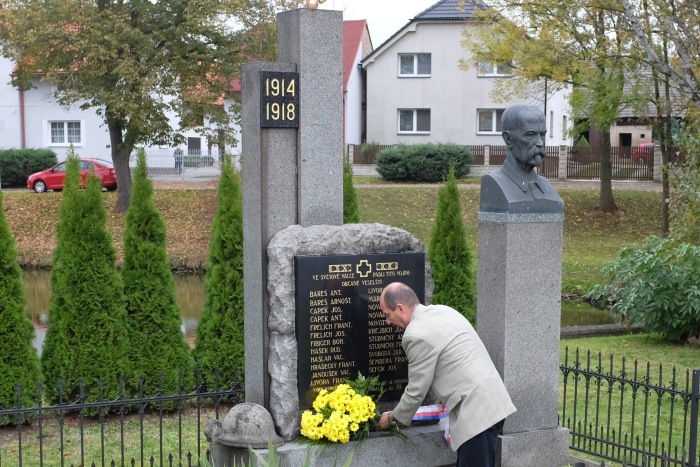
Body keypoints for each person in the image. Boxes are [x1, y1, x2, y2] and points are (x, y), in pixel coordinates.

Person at [378, 282, 516, 467]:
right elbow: (455, 358)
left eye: (388, 315)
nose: (387, 322)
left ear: (400, 308)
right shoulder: (443, 311)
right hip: (491, 402)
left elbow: (416, 392)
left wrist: (391, 417)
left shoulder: (415, 334)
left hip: (476, 413)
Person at [479, 105, 564, 214]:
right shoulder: (493, 185)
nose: (540, 143)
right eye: (530, 135)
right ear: (508, 139)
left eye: (542, 134)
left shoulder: (547, 188)